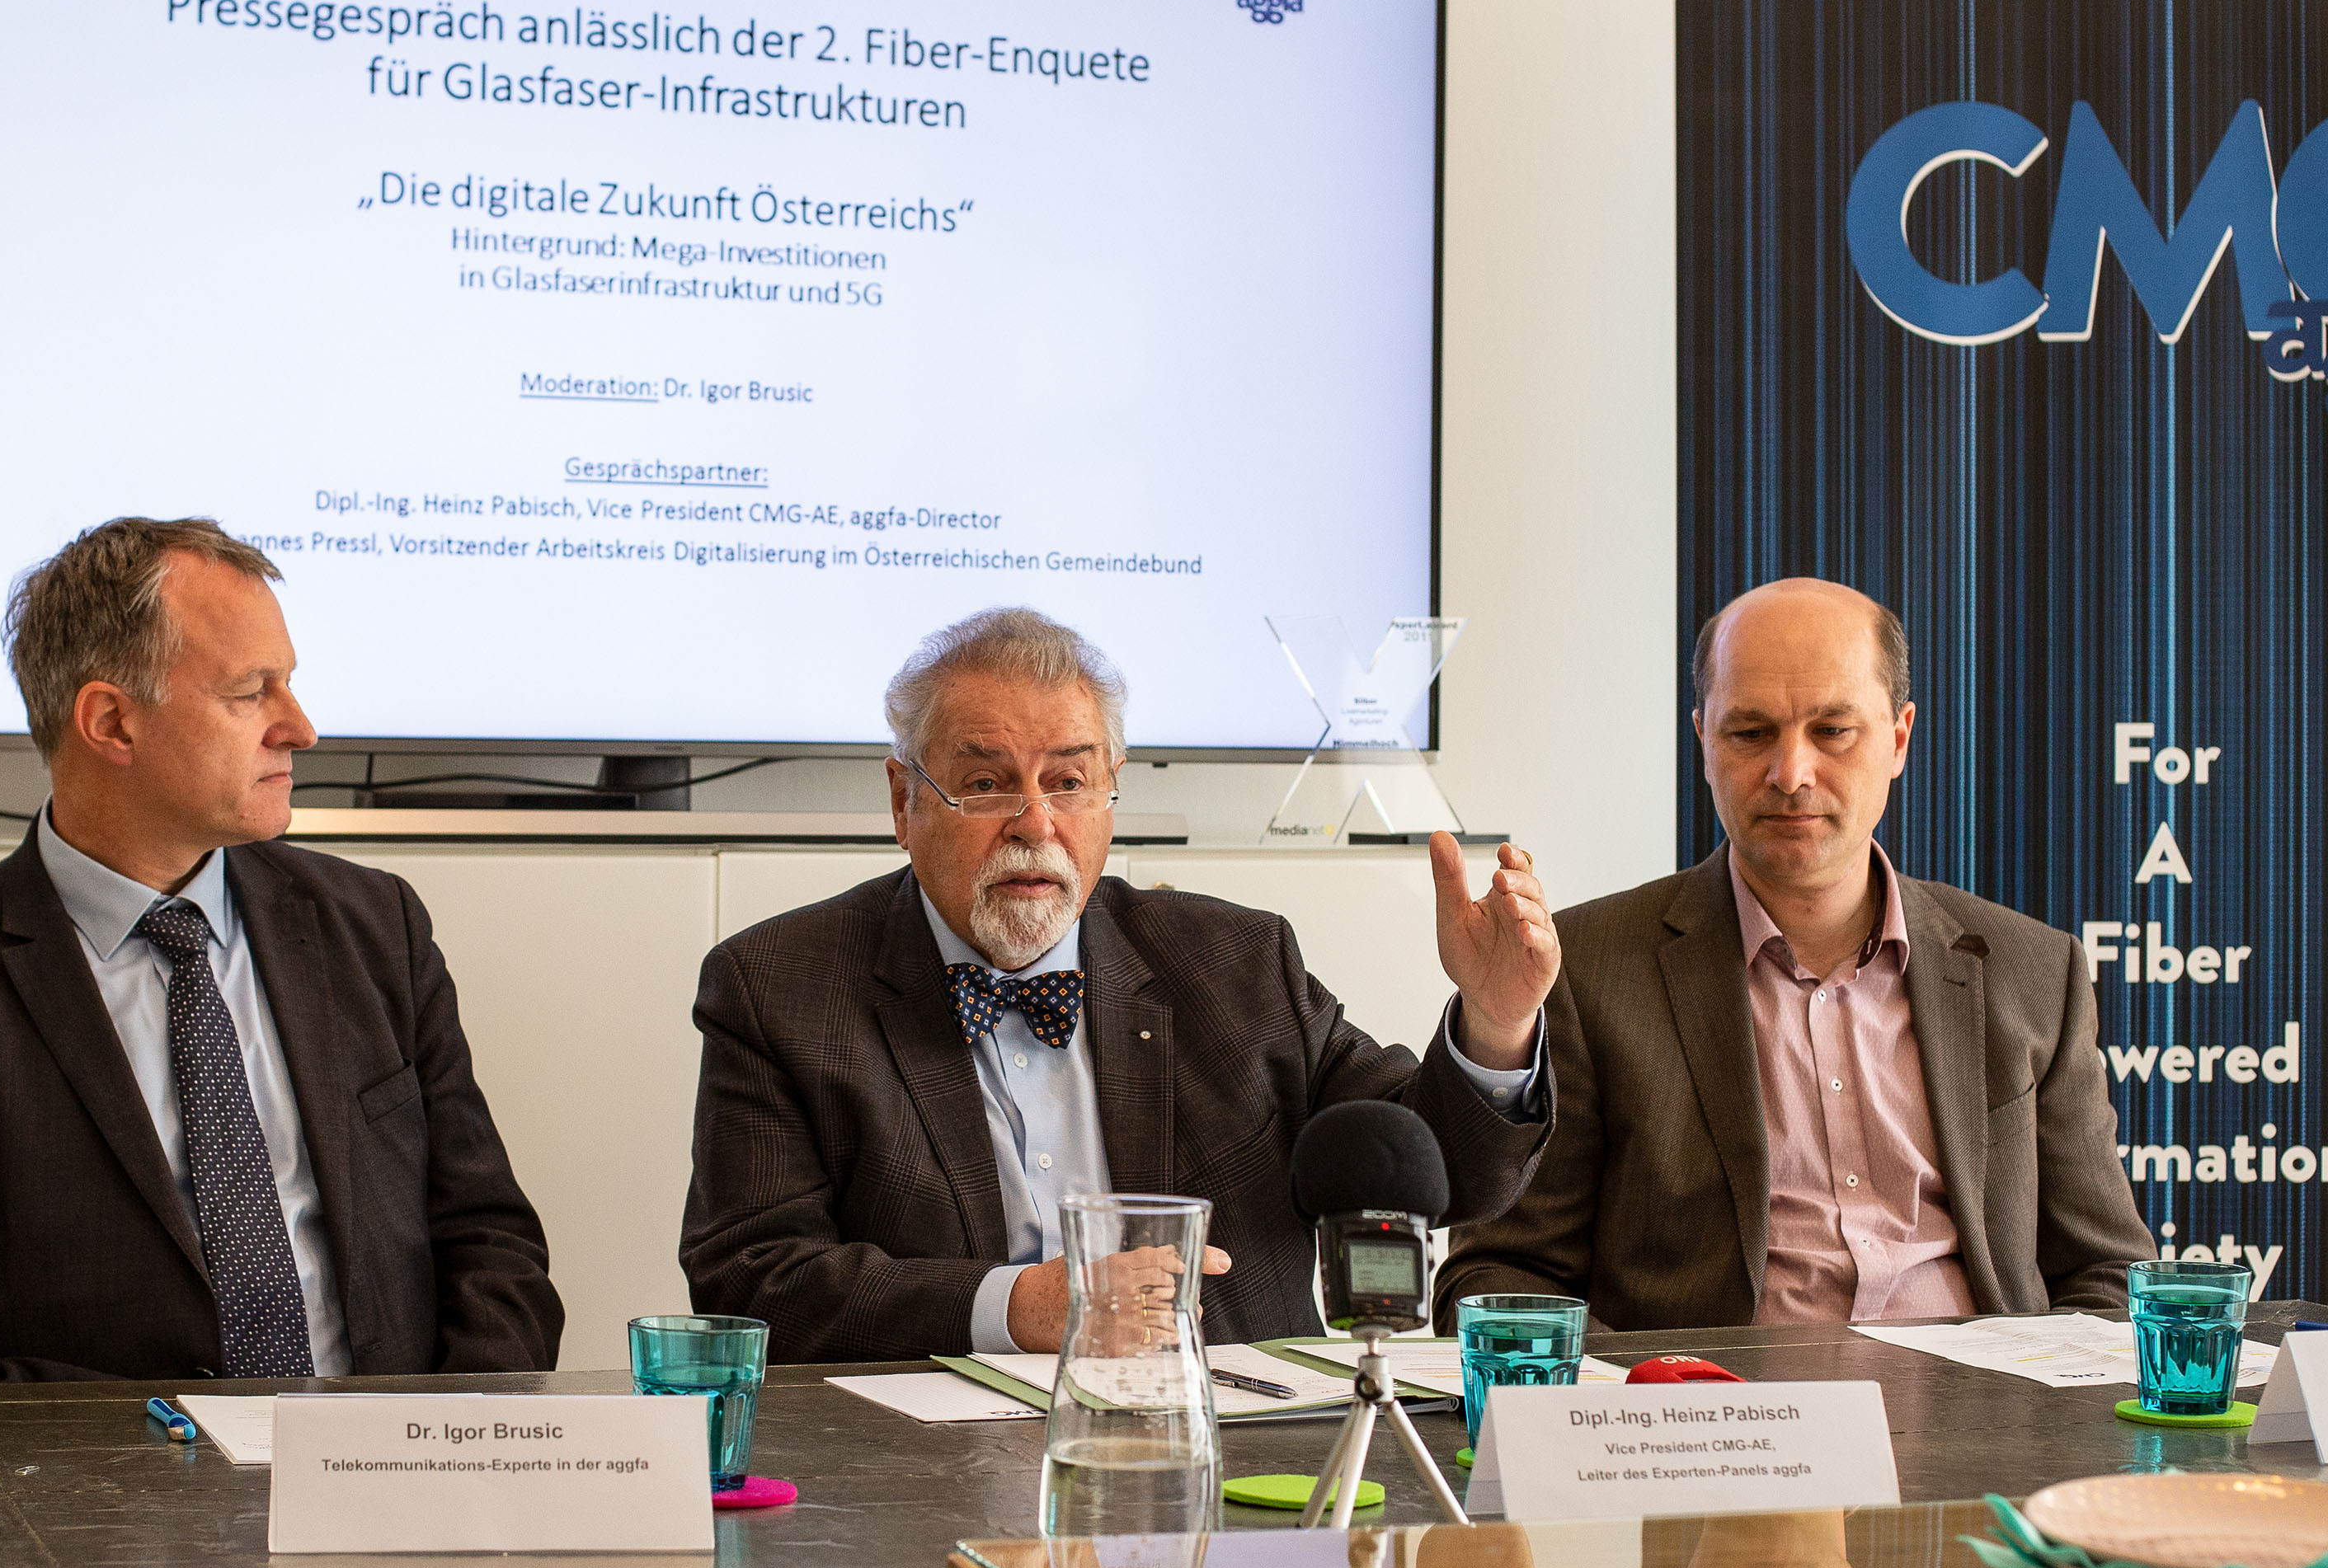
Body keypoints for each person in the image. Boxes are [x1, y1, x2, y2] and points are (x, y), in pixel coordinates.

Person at [0, 518, 562, 1384]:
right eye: (251, 692)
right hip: (102, 1475)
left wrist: (453, 1442)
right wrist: (182, 1446)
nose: (301, 727)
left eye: (290, 684)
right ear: (111, 722)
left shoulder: (376, 926)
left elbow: (490, 1244)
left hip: (396, 1460)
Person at [680, 607, 1560, 1362]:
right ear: (903, 801)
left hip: (1238, 1453)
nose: (1035, 823)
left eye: (1068, 781)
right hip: (928, 1468)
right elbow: (753, 1284)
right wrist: (1013, 1308)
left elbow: (1426, 1175)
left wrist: (1496, 1021)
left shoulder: (1237, 963)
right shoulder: (780, 988)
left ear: (1111, 794)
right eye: (985, 784)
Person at [1438, 577, 2152, 1329]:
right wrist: (1642, 1391)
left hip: (1982, 1398)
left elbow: (2103, 1276)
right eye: (1750, 733)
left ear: (1899, 739)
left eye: (1832, 731)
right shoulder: (1584, 972)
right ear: (1703, 742)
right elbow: (1497, 1281)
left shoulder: (2031, 970)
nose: (1790, 774)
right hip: (1709, 1401)